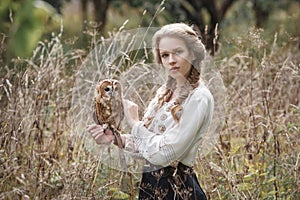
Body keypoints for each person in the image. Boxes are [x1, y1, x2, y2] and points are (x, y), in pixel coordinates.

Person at [88, 23, 214, 200]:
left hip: (178, 190)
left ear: (193, 53)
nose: (171, 60)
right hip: (151, 186)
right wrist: (116, 138)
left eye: (178, 52)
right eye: (165, 55)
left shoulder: (199, 97)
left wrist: (134, 122)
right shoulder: (164, 92)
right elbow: (149, 147)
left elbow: (165, 154)